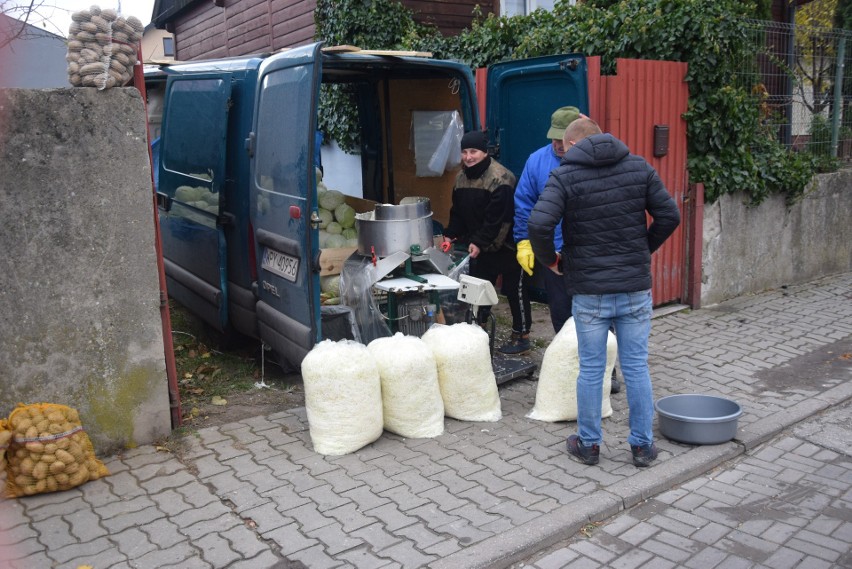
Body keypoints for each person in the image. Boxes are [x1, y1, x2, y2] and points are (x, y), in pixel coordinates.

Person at [527, 118, 681, 468]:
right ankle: (642, 448)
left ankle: (589, 445)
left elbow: (538, 224)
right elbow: (669, 216)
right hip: (633, 289)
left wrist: (553, 262)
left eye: (564, 148)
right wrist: (642, 250)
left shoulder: (566, 175)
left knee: (592, 369)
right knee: (636, 368)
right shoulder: (639, 167)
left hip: (590, 291)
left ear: (570, 145)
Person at [513, 107, 622, 393]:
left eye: (563, 139)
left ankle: (607, 372)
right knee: (562, 314)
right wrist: (524, 240)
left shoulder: (603, 161)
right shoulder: (537, 161)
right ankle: (572, 368)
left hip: (592, 255)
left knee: (600, 315)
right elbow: (525, 204)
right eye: (554, 139)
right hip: (555, 257)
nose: (558, 145)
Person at [443, 130, 532, 355]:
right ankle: (478, 330)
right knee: (478, 289)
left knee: (514, 290)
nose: (468, 156)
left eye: (473, 151)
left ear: (484, 152)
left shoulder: (501, 178)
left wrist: (479, 242)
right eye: (464, 152)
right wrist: (450, 234)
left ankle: (521, 335)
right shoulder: (461, 179)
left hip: (508, 245)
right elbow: (458, 214)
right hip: (481, 246)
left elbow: (499, 219)